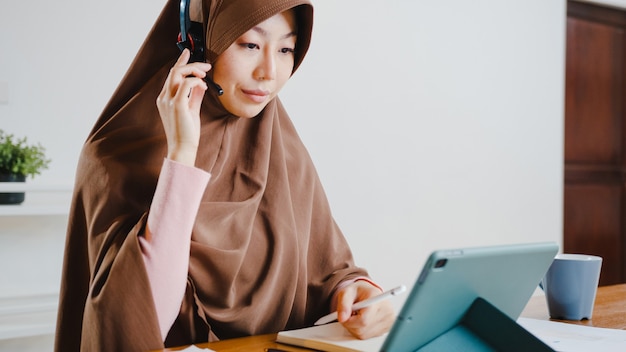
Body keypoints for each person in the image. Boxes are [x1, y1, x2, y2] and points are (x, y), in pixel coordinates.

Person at [54, 0, 395, 351]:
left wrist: (359, 293)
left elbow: (328, 272)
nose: (269, 72)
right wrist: (182, 158)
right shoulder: (114, 157)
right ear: (197, 44)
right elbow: (134, 323)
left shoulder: (284, 151)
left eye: (285, 49)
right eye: (249, 44)